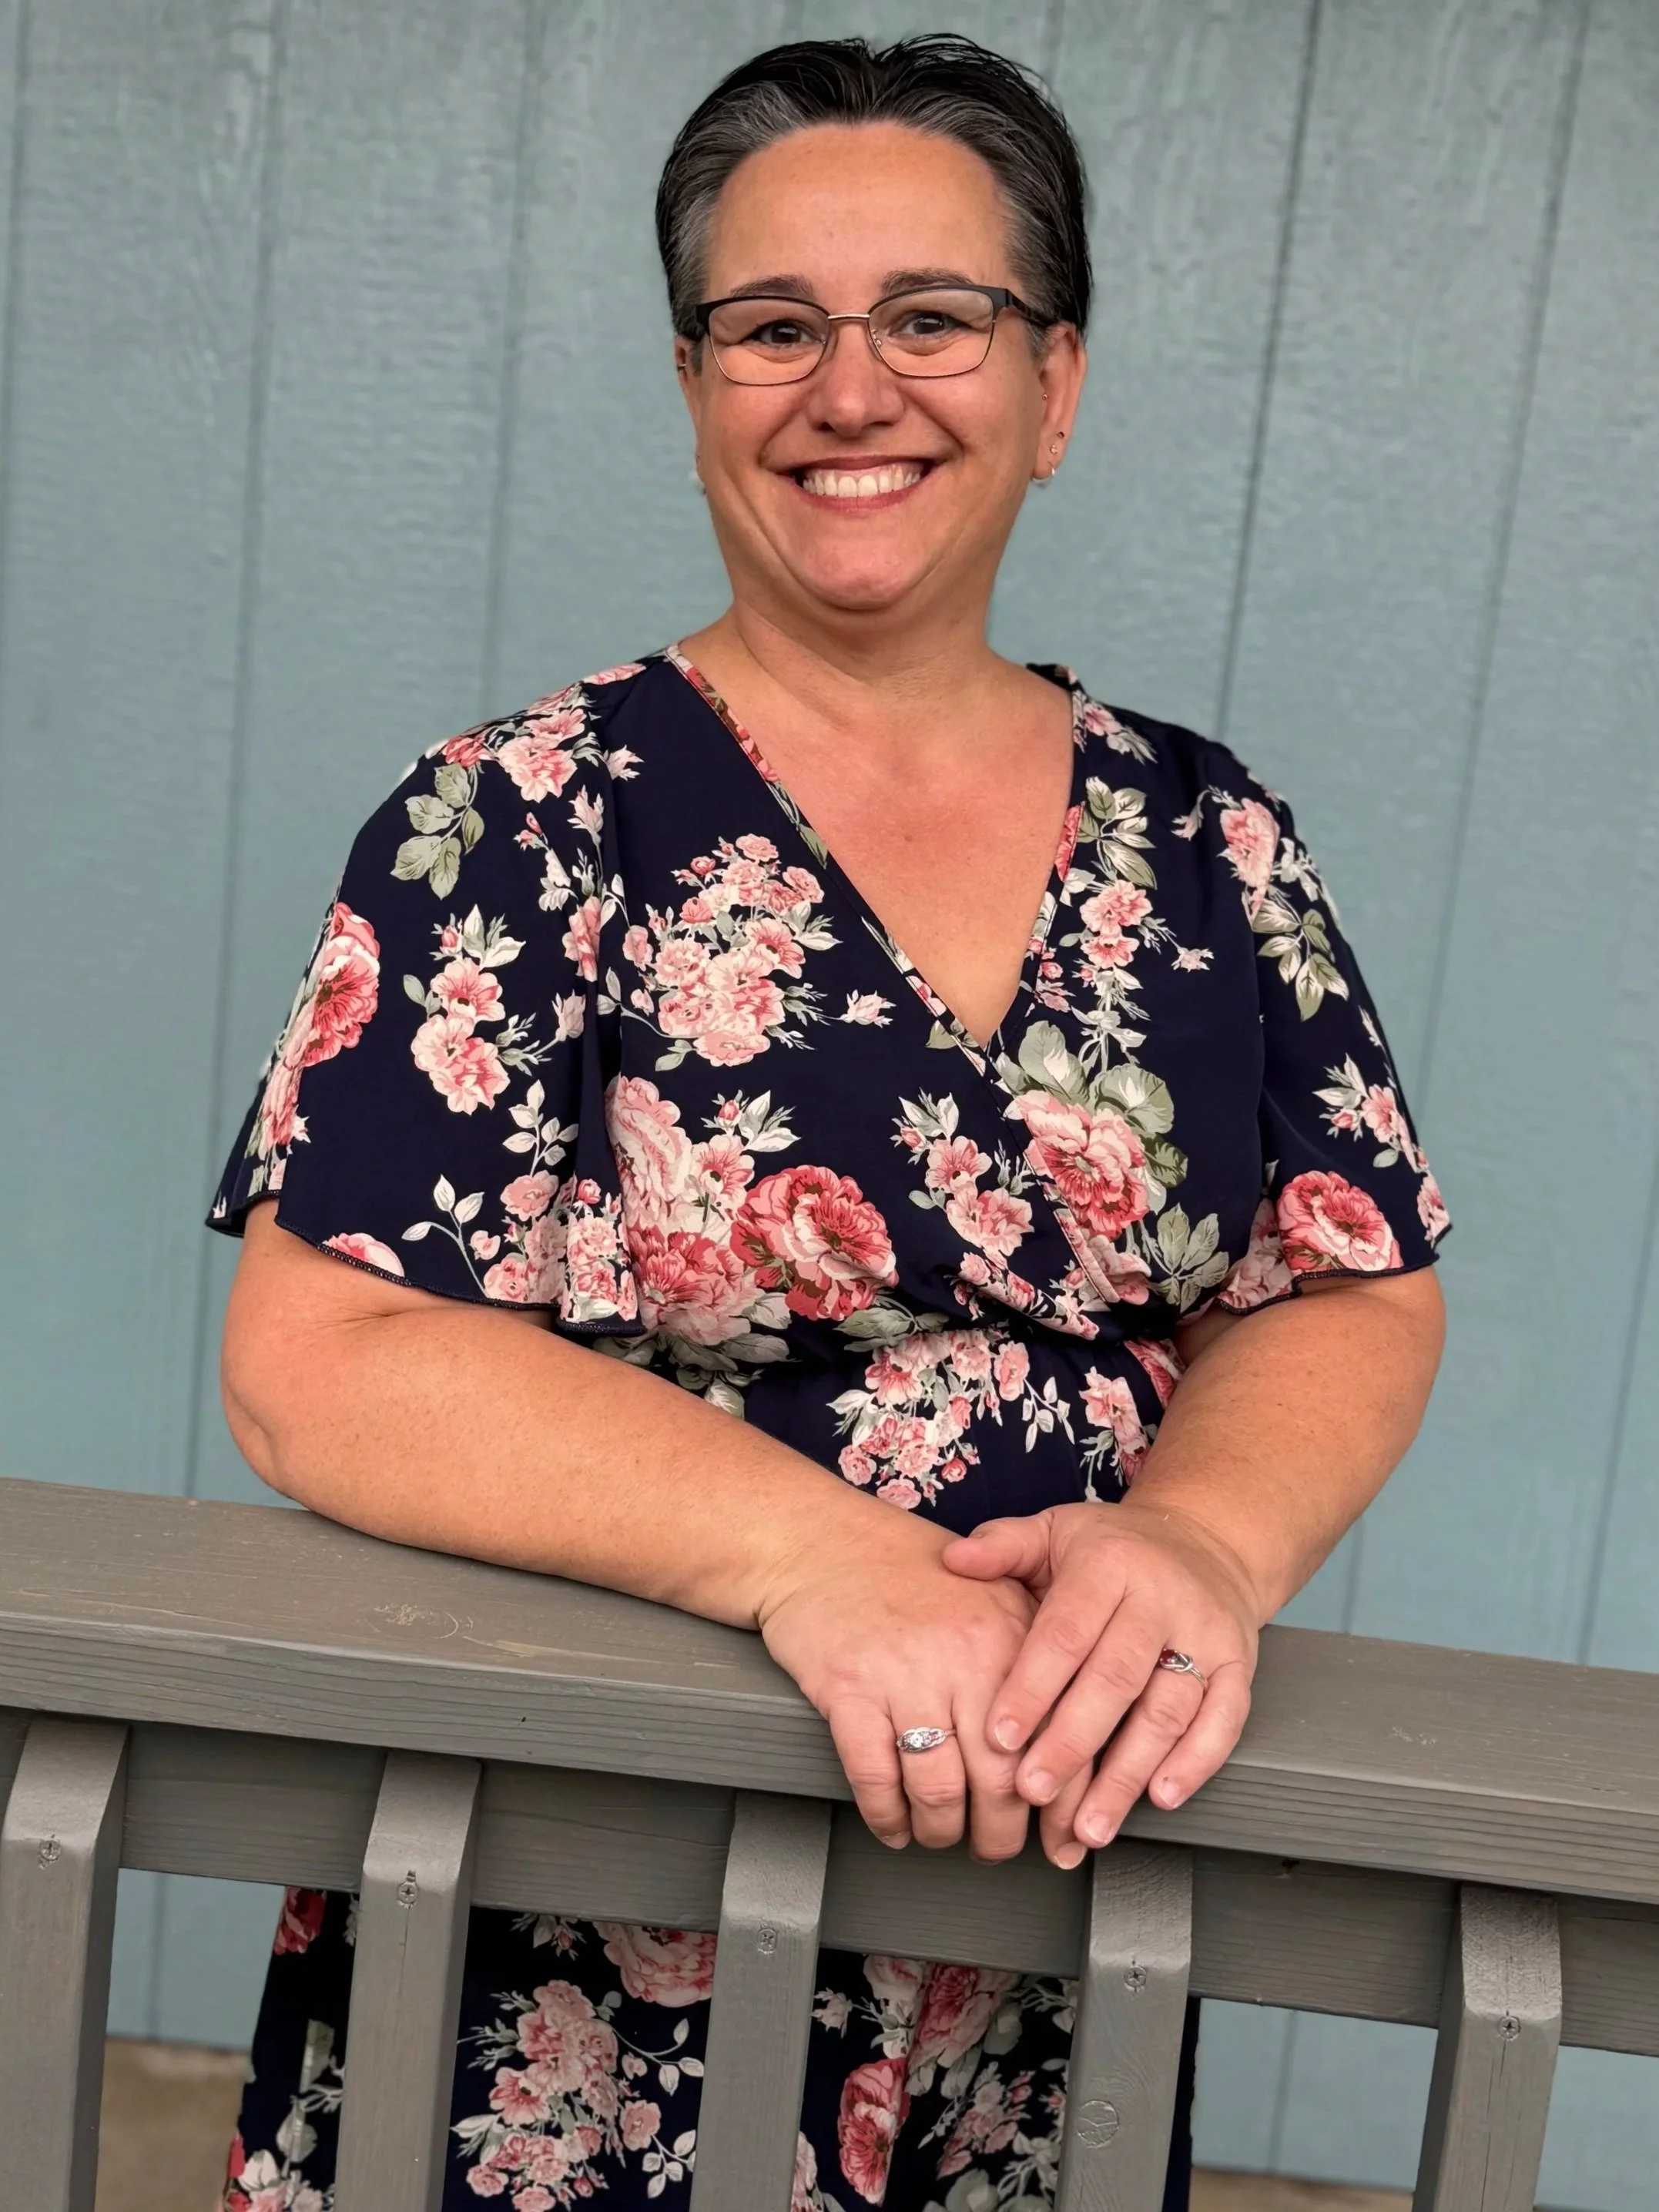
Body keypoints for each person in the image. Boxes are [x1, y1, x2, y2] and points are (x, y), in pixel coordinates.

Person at [209, 35, 1447, 2212]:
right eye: (773, 327)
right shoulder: (514, 819)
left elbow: (1344, 1281)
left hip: (1047, 1916)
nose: (849, 389)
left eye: (935, 319)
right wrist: (824, 1568)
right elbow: (327, 1364)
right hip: (585, 1907)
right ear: (697, 386)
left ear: (1054, 387)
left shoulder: (1208, 838)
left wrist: (1199, 1545)